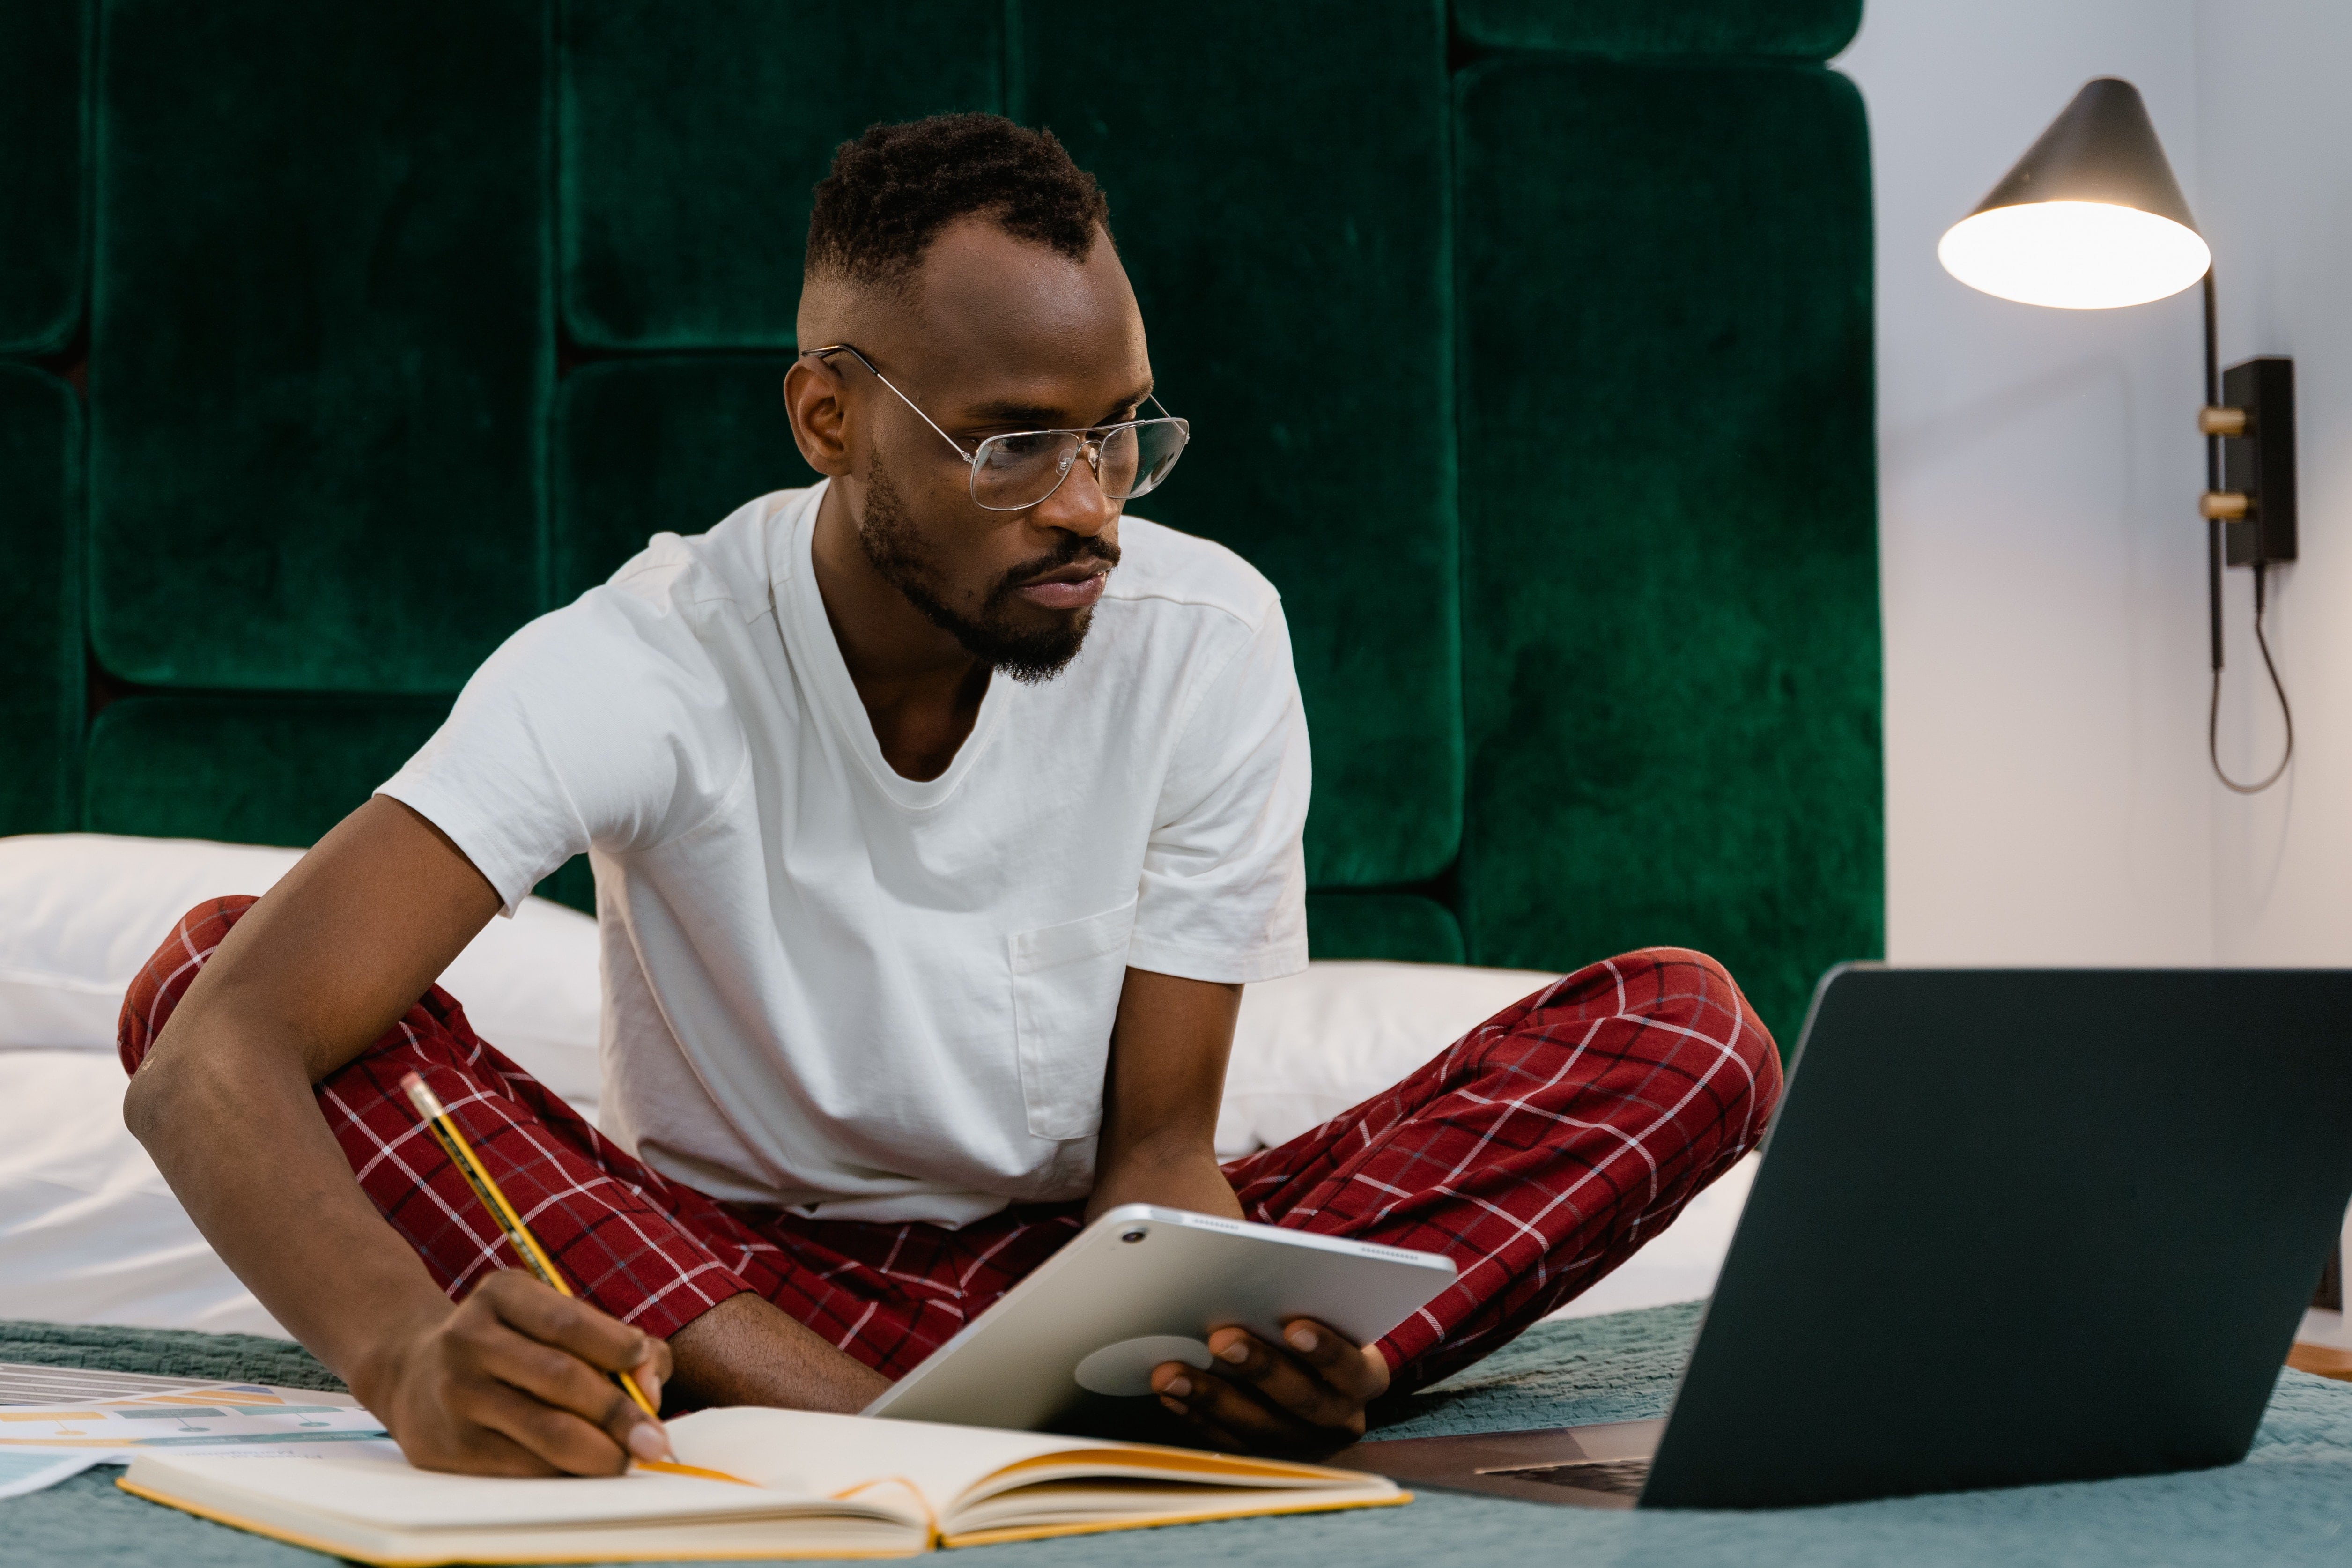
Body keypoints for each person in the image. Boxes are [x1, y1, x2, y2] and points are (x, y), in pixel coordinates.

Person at [120, 113, 1780, 1479]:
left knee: (1693, 1030)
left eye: (1124, 435)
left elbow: (1157, 1154)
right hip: (710, 1276)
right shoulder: (643, 659)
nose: (1092, 510)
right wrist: (408, 1352)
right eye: (1015, 446)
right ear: (830, 418)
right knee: (206, 961)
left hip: (1071, 1277)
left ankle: (1064, 1425)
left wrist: (1245, 1341)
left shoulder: (1209, 640)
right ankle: (886, 1423)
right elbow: (219, 1050)